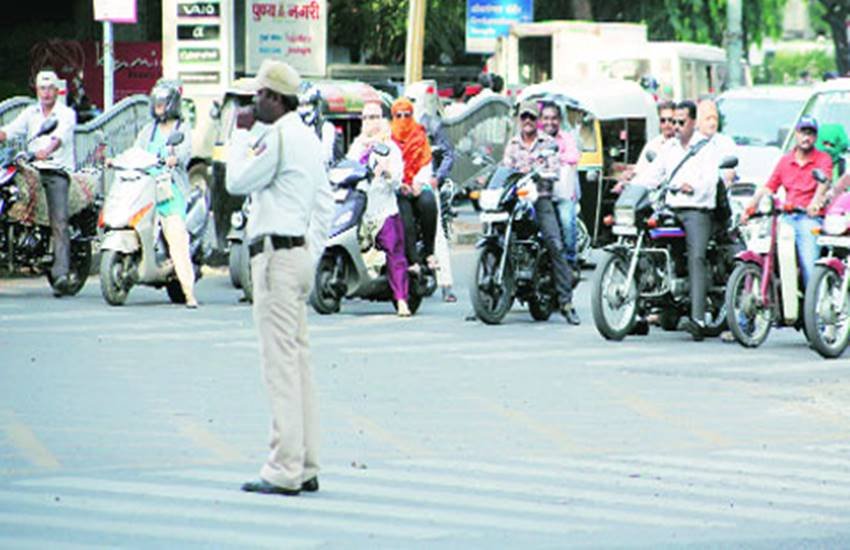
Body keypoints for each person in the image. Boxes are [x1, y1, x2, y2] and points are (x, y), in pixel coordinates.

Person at [226, 59, 334, 496]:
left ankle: (284, 466)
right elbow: (324, 201)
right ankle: (306, 462)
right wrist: (310, 248)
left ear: (275, 98)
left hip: (275, 258)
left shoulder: (275, 137)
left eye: (258, 95)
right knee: (299, 363)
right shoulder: (307, 138)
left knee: (280, 367)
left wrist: (239, 133)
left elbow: (236, 180)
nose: (253, 103)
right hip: (299, 254)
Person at [631, 100, 723, 341]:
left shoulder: (706, 148)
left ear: (693, 122)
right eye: (674, 122)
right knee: (646, 246)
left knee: (697, 257)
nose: (677, 126)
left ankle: (698, 318)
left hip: (696, 210)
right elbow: (651, 176)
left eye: (681, 122)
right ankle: (637, 312)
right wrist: (631, 189)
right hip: (670, 208)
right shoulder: (669, 148)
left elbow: (710, 181)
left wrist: (691, 188)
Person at [0, 69, 76, 296]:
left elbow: (59, 137)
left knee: (59, 220)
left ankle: (61, 273)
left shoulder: (66, 114)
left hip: (55, 170)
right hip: (30, 168)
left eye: (50, 88)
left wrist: (47, 150)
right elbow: (11, 130)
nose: (46, 93)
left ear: (56, 90)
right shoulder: (30, 112)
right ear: (37, 90)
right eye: (42, 88)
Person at [503, 100, 579, 325]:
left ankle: (566, 302)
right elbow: (506, 166)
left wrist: (539, 172)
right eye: (524, 117)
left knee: (555, 244)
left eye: (531, 118)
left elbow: (554, 168)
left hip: (541, 198)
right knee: (497, 230)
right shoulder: (513, 143)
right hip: (516, 198)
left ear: (536, 121)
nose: (527, 121)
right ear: (519, 119)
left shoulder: (547, 143)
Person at [742, 115, 832, 287]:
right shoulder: (785, 161)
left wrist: (815, 202)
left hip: (809, 218)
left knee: (809, 265)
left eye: (811, 134)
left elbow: (824, 183)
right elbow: (769, 187)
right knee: (762, 250)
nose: (806, 138)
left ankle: (814, 308)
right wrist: (751, 206)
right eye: (803, 132)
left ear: (815, 137)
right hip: (786, 218)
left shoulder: (822, 159)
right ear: (795, 134)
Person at [133, 79, 198, 308]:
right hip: (145, 186)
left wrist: (175, 158)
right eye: (156, 102)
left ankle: (188, 291)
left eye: (163, 103)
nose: (159, 107)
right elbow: (136, 151)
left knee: (177, 236)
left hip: (169, 189)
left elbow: (185, 152)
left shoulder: (182, 129)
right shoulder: (147, 131)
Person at [347, 100, 412, 316]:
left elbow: (397, 181)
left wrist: (385, 172)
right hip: (359, 209)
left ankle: (401, 299)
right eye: (365, 118)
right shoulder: (357, 147)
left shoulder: (389, 147)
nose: (369, 122)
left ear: (382, 120)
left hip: (383, 209)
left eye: (374, 117)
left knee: (394, 252)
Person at [407, 85, 458, 302]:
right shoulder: (401, 124)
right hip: (404, 184)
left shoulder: (433, 125)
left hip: (427, 184)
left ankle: (447, 284)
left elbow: (448, 154)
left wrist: (436, 178)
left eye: (413, 99)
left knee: (437, 234)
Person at [391, 97, 439, 273]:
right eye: (399, 115)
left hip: (418, 183)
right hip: (397, 187)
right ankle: (412, 260)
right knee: (405, 217)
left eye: (407, 115)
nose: (403, 119)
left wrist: (419, 182)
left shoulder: (420, 135)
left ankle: (429, 253)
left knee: (428, 202)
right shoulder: (388, 138)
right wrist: (400, 184)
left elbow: (426, 162)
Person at [539, 101, 581, 276]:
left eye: (554, 118)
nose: (550, 122)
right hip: (540, 195)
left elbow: (574, 156)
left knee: (566, 221)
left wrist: (555, 156)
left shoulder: (566, 139)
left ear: (559, 120)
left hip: (562, 195)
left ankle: (570, 262)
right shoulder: (536, 138)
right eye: (546, 118)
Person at [298, 82, 339, 166]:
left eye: (308, 104)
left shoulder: (326, 128)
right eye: (301, 105)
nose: (304, 110)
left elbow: (325, 157)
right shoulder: (291, 129)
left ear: (316, 105)